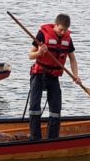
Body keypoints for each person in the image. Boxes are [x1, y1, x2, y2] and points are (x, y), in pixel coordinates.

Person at [28, 13, 81, 141]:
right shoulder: (42, 34)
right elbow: (30, 55)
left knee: (55, 109)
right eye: (60, 29)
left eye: (65, 30)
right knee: (35, 107)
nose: (62, 32)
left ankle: (53, 138)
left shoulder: (67, 39)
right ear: (55, 25)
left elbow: (72, 59)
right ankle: (35, 138)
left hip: (53, 76)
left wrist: (75, 75)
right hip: (39, 74)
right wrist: (40, 52)